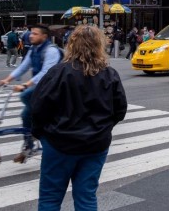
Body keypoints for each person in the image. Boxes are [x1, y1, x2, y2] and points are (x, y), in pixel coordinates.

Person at [31, 25, 127, 211]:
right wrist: (102, 130)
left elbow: (38, 107)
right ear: (99, 46)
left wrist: (41, 134)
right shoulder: (109, 75)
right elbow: (119, 110)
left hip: (59, 143)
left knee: (50, 197)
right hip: (95, 145)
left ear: (72, 45)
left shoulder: (58, 72)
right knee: (86, 196)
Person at [0, 25, 62, 163]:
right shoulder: (33, 49)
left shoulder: (51, 51)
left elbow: (46, 73)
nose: (30, 36)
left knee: (25, 95)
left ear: (44, 36)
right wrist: (7, 79)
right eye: (31, 33)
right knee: (25, 115)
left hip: (51, 89)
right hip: (40, 90)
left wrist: (26, 85)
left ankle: (42, 128)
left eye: (35, 34)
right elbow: (23, 67)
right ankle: (29, 147)